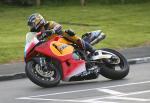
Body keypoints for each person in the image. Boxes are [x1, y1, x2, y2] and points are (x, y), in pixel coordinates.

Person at [27, 13, 100, 58]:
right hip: (54, 47)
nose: (31, 27)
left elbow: (58, 26)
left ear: (38, 21)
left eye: (32, 24)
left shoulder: (49, 24)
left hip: (62, 40)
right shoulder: (38, 34)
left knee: (67, 32)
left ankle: (92, 50)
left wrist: (53, 30)